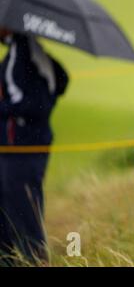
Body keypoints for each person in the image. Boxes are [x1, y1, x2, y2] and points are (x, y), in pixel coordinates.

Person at [0, 29, 69, 265]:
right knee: (12, 214)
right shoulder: (30, 49)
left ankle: (33, 262)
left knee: (23, 216)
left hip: (21, 148)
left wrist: (4, 108)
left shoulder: (22, 52)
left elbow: (32, 103)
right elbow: (62, 79)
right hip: (26, 146)